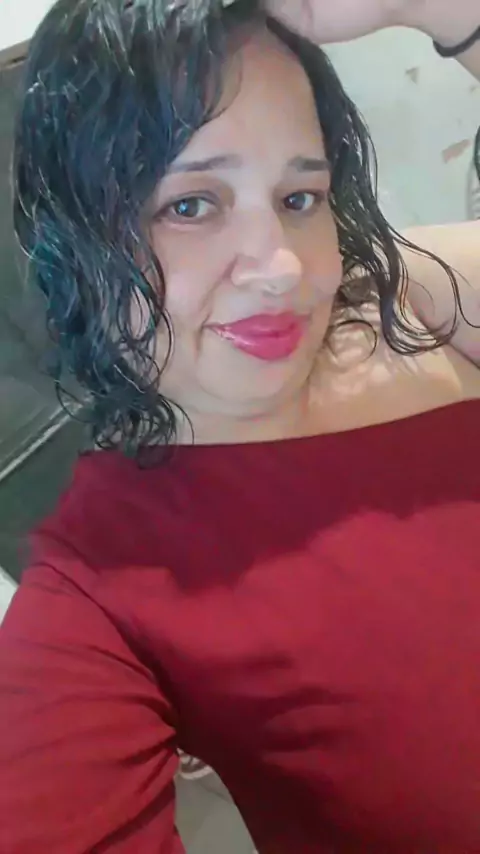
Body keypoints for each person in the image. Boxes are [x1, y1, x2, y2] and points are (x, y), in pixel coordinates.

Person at [0, 0, 479, 851]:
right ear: (75, 237)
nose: (283, 267)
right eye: (190, 205)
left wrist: (446, 11)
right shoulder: (98, 590)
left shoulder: (414, 303)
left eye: (300, 196)